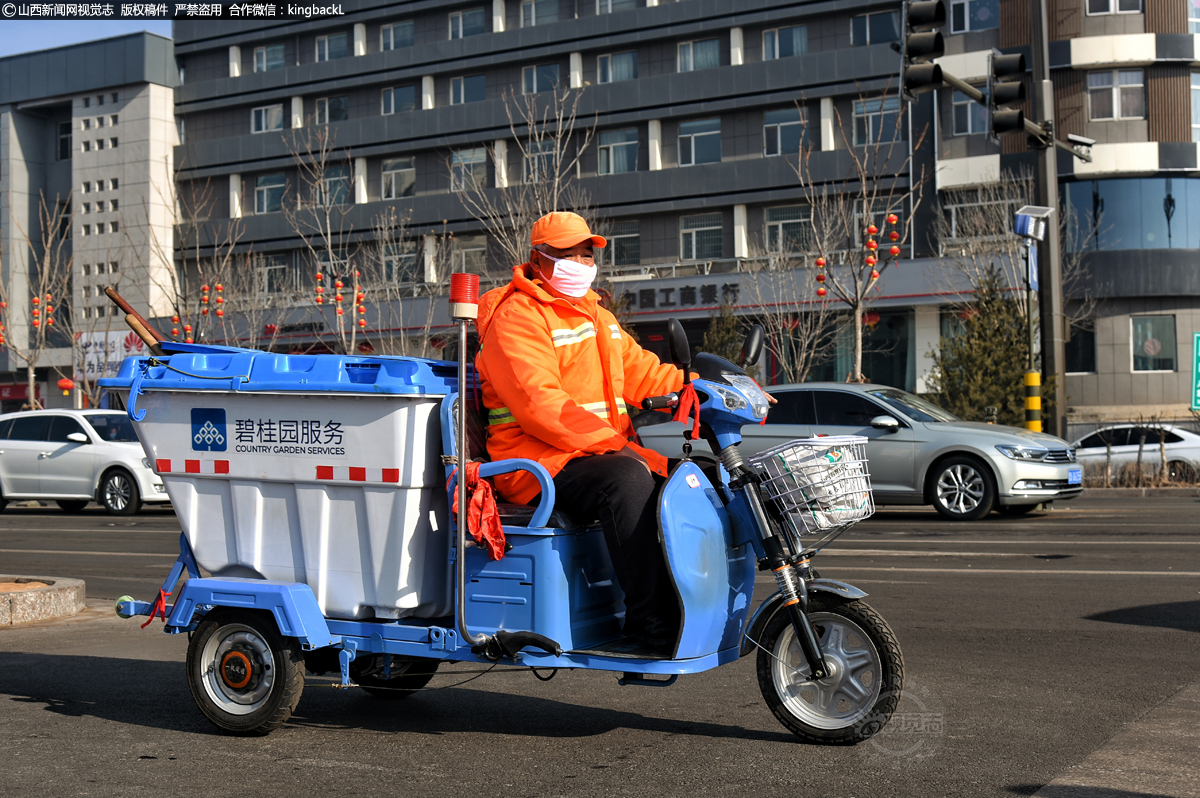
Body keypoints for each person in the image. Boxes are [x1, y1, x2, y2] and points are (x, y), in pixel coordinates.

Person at [473, 211, 689, 649]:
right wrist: (617, 447)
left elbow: (645, 373)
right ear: (538, 259)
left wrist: (702, 389)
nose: (581, 263)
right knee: (628, 479)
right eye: (567, 254)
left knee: (692, 475)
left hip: (589, 454)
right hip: (534, 462)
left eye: (586, 254)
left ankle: (688, 602)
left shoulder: (598, 317)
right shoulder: (518, 317)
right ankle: (650, 621)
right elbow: (541, 406)